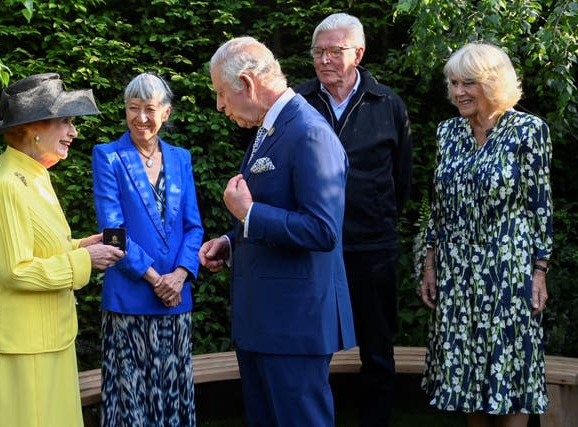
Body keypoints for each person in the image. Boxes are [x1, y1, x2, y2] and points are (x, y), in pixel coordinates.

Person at [198, 36, 356, 427]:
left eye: (221, 92)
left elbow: (322, 230)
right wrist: (231, 242)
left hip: (294, 325)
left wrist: (249, 215)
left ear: (248, 84)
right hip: (266, 324)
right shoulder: (271, 129)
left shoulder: (309, 132)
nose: (220, 105)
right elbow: (278, 210)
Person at [0, 72, 125, 427]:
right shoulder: (7, 183)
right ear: (33, 127)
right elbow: (15, 269)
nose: (74, 132)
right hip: (21, 346)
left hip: (44, 339)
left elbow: (39, 248)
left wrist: (81, 246)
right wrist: (83, 260)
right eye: (66, 122)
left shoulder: (34, 173)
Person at [418, 42, 553, 427]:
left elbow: (540, 207)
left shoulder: (529, 131)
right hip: (458, 271)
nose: (458, 91)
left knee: (510, 372)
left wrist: (540, 270)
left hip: (509, 270)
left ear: (493, 83)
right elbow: (437, 206)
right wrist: (429, 264)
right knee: (465, 375)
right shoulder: (448, 133)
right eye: (454, 82)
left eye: (469, 83)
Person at [295, 12, 413, 427]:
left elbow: (402, 179)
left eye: (334, 51)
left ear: (358, 53)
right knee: (309, 344)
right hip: (311, 246)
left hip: (372, 246)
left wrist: (374, 218)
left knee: (377, 348)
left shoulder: (388, 104)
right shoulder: (297, 103)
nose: (324, 59)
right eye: (318, 51)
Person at [92, 72, 204, 427]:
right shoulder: (107, 156)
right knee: (130, 404)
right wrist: (158, 280)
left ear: (166, 113)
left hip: (176, 301)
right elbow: (112, 233)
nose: (141, 117)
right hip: (128, 301)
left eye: (150, 109)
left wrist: (180, 275)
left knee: (173, 396)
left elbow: (194, 226)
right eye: (133, 108)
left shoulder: (182, 158)